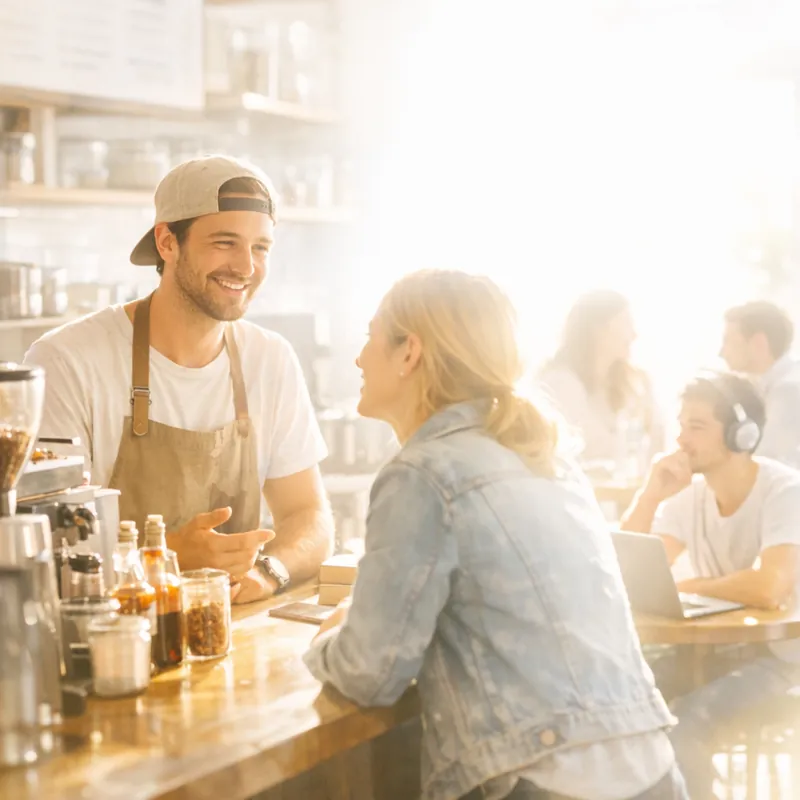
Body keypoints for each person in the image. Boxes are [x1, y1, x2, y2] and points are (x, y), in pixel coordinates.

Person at [303, 270, 686, 800]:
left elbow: (370, 673)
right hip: (651, 769)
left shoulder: (422, 474)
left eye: (370, 337)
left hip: (543, 779)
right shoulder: (545, 455)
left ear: (409, 352)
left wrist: (325, 638)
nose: (358, 359)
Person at [24, 155, 332, 604]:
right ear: (167, 242)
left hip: (229, 630)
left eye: (261, 247)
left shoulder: (271, 360)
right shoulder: (67, 361)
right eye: (225, 242)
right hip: (110, 641)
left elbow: (310, 515)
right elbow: (49, 547)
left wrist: (269, 572)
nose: (246, 267)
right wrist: (165, 555)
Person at [620, 371, 800, 798]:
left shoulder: (785, 491)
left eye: (696, 427)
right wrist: (650, 496)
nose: (682, 439)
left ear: (742, 434)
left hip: (781, 662)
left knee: (687, 727)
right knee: (620, 711)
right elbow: (625, 573)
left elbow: (769, 587)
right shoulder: (687, 495)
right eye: (681, 426)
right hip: (709, 653)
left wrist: (694, 584)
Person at [538, 290, 663, 472]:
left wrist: (648, 403)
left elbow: (657, 447)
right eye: (626, 323)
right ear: (598, 329)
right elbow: (589, 447)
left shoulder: (631, 384)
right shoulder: (558, 382)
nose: (634, 334)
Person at [721, 300, 800, 468]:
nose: (721, 352)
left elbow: (767, 464)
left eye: (728, 341)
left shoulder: (789, 390)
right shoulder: (770, 386)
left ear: (758, 342)